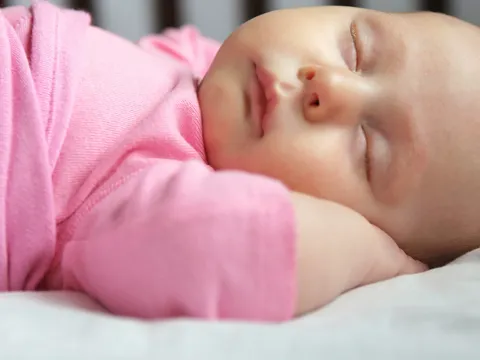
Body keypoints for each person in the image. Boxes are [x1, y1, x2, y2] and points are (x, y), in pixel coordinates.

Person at [1, 1, 477, 322]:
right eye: (355, 49)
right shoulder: (192, 71)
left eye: (367, 147)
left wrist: (373, 256)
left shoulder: (165, 190)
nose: (329, 87)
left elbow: (221, 240)